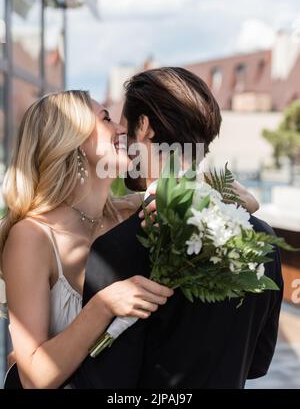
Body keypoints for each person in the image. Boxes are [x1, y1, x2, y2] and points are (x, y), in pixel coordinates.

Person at [73, 67, 283, 389]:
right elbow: (257, 363)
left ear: (144, 127)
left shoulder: (117, 247)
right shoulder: (263, 237)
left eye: (127, 127)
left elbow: (106, 382)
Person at [0, 90, 174, 389]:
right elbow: (33, 377)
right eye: (106, 118)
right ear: (71, 140)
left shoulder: (131, 212)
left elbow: (235, 198)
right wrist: (104, 305)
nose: (122, 129)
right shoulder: (31, 238)